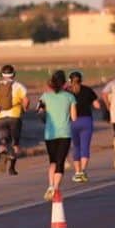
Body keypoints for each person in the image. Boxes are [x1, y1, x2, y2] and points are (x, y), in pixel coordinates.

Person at [37, 70, 77, 200]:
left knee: (53, 162)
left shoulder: (45, 96)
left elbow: (39, 111)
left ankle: (50, 186)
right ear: (64, 82)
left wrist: (45, 119)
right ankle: (55, 188)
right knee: (60, 162)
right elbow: (74, 117)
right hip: (64, 133)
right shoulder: (70, 97)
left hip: (49, 133)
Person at [0, 64, 29, 175]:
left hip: (0, 118)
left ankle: (3, 153)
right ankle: (12, 168)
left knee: (3, 142)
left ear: (1, 74)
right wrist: (24, 109)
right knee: (15, 144)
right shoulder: (18, 86)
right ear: (14, 74)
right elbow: (26, 100)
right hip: (15, 117)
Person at [66, 70, 102, 182]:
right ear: (81, 80)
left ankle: (77, 172)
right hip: (86, 121)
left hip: (72, 121)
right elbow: (97, 105)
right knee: (85, 147)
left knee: (76, 147)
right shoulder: (88, 90)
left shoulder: (67, 92)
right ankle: (83, 171)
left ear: (69, 80)